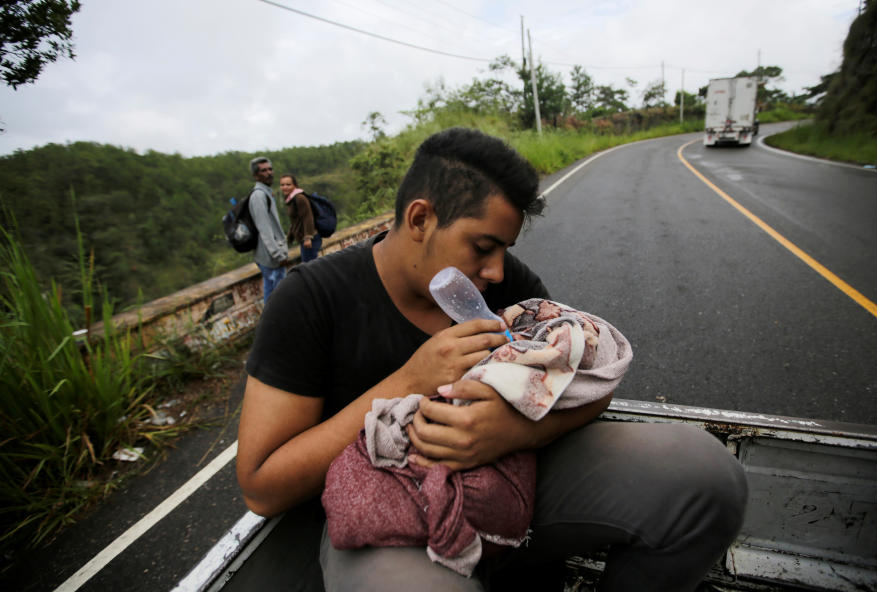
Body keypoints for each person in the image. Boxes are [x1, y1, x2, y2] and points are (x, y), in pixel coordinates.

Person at [237, 128, 748, 591]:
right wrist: (409, 380)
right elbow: (262, 486)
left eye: (505, 248)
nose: (499, 270)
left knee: (705, 478)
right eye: (483, 246)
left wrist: (516, 432)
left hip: (514, 480)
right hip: (391, 512)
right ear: (420, 218)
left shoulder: (502, 286)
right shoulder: (312, 300)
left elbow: (591, 381)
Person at [248, 156, 288, 302]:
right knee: (279, 298)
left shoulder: (266, 193)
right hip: (270, 257)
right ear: (256, 175)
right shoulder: (258, 196)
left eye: (270, 169)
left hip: (270, 256)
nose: (269, 173)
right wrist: (278, 255)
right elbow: (264, 229)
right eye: (264, 170)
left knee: (271, 295)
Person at [278, 173, 320, 263]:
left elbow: (307, 217)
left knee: (309, 267)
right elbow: (295, 222)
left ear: (295, 185)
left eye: (288, 184)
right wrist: (289, 239)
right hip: (303, 239)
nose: (285, 187)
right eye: (282, 185)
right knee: (309, 266)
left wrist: (308, 237)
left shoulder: (299, 198)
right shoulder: (291, 199)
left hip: (310, 240)